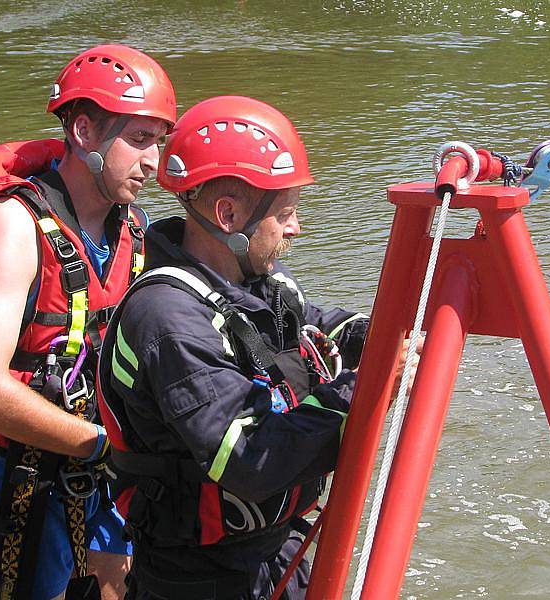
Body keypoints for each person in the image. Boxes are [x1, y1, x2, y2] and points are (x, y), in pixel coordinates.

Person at [97, 95, 376, 599]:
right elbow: (250, 458)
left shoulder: (257, 279)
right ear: (228, 215)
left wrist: (373, 337)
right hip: (200, 578)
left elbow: (309, 328)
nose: (296, 227)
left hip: (272, 552)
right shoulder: (167, 319)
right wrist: (366, 389)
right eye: (286, 212)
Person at [0, 44, 176, 600]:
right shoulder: (10, 227)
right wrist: (100, 445)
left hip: (100, 461)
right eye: (139, 139)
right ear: (84, 132)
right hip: (15, 468)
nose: (153, 161)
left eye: (159, 141)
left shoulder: (133, 228)